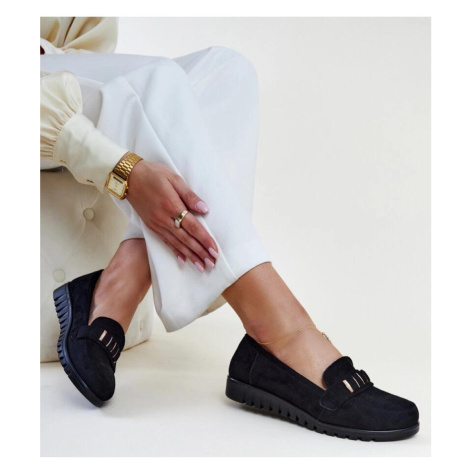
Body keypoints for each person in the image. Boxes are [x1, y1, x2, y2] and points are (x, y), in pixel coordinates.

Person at [41, 17, 420, 441]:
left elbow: (87, 44)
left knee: (229, 70)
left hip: (55, 64)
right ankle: (282, 331)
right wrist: (122, 169)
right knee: (156, 80)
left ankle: (117, 284)